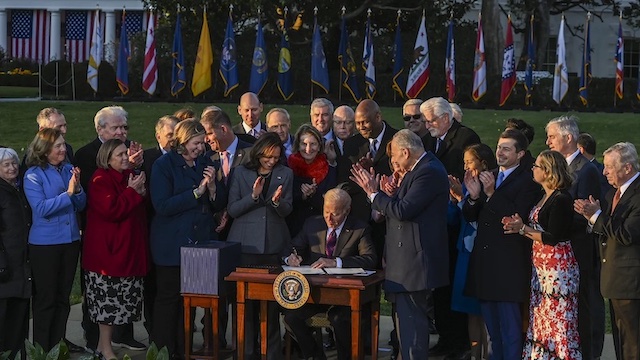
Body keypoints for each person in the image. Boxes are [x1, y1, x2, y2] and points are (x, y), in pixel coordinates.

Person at [350, 129, 450, 359]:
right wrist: (390, 194)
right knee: (405, 326)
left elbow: (403, 211)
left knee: (412, 328)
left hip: (414, 265)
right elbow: (401, 206)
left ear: (405, 152)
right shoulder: (421, 169)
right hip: (405, 264)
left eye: (394, 157)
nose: (393, 163)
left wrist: (374, 194)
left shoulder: (429, 172)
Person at [462, 129, 540, 360]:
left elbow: (516, 217)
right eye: (498, 147)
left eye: (507, 149)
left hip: (508, 266)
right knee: (493, 331)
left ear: (520, 153)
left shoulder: (528, 182)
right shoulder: (491, 175)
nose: (500, 152)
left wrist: (491, 193)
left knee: (510, 331)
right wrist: (474, 197)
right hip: (486, 265)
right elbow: (470, 216)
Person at [74, 105, 145, 352]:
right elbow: (110, 208)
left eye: (124, 127)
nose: (121, 132)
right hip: (105, 248)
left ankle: (121, 337)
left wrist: (133, 178)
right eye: (116, 127)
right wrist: (132, 191)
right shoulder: (96, 172)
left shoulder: (128, 173)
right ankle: (98, 345)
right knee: (104, 301)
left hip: (126, 246)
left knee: (123, 300)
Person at [149, 120, 220, 358]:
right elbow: (162, 205)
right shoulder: (164, 165)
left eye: (202, 143)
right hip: (172, 245)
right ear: (183, 140)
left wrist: (211, 191)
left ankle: (184, 351)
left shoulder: (204, 163)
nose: (201, 148)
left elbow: (217, 204)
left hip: (198, 243)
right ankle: (163, 352)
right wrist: (195, 193)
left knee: (188, 302)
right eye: (196, 143)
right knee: (169, 301)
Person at [503, 150, 581, 360]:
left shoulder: (561, 199)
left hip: (557, 270)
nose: (532, 169)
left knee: (558, 319)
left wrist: (522, 229)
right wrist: (519, 227)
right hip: (541, 269)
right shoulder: (543, 196)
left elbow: (553, 236)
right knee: (541, 317)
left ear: (547, 171)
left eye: (536, 166)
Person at [283, 188, 377, 360]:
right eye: (326, 212)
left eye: (335, 214)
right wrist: (290, 257)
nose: (329, 218)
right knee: (291, 317)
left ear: (347, 211)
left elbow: (370, 259)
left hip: (346, 296)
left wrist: (336, 262)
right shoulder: (312, 224)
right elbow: (293, 246)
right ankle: (316, 356)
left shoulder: (360, 228)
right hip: (317, 293)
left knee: (339, 319)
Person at [421, 97, 480, 359]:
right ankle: (445, 337)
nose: (427, 124)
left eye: (431, 120)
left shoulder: (465, 137)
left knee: (454, 283)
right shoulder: (429, 139)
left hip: (457, 220)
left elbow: (467, 174)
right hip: (435, 220)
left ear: (446, 118)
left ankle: (459, 341)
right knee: (439, 285)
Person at [227, 132, 293, 360]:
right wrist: (253, 197)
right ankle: (246, 353)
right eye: (267, 157)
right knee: (246, 306)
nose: (271, 161)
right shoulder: (241, 173)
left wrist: (276, 202)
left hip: (273, 246)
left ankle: (271, 353)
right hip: (246, 247)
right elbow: (233, 209)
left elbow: (288, 209)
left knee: (272, 306)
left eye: (276, 157)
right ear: (259, 153)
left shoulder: (286, 174)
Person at [574, 142, 640, 360]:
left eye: (610, 167)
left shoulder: (637, 194)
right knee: (622, 341)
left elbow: (627, 234)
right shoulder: (615, 192)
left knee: (632, 343)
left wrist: (596, 216)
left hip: (631, 284)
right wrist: (592, 218)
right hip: (615, 280)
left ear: (627, 168)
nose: (604, 172)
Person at [23, 128, 86, 352]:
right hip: (45, 245)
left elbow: (81, 204)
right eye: (57, 146)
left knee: (63, 297)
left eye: (63, 144)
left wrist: (77, 191)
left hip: (69, 242)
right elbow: (41, 209)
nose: (63, 149)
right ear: (45, 149)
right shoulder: (33, 175)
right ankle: (41, 349)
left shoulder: (69, 169)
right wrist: (68, 194)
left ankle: (58, 347)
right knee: (46, 299)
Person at [545, 115, 602, 360]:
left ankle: (589, 353)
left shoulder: (585, 170)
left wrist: (557, 223)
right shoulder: (560, 166)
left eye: (552, 136)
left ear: (568, 138)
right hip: (560, 251)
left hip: (578, 250)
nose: (548, 142)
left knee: (584, 306)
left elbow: (586, 214)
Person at [449, 144, 496, 360]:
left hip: (483, 255)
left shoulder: (492, 185)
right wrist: (457, 199)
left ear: (483, 163)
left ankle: (488, 354)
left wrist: (465, 200)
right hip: (465, 252)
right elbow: (456, 219)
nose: (466, 165)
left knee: (484, 311)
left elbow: (483, 219)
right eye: (465, 161)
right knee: (469, 311)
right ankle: (475, 354)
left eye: (470, 161)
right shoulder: (467, 184)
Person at [0, 148, 32, 358]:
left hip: (22, 267)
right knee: (5, 320)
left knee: (19, 320)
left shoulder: (18, 189)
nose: (12, 168)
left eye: (14, 163)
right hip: (6, 269)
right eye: (6, 165)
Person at [287, 124, 337, 237]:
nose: (308, 149)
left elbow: (331, 199)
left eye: (313, 144)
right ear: (298, 145)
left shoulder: (328, 167)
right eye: (304, 144)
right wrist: (303, 196)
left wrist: (314, 195)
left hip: (321, 228)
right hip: (295, 227)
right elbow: (287, 200)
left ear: (319, 146)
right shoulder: (289, 166)